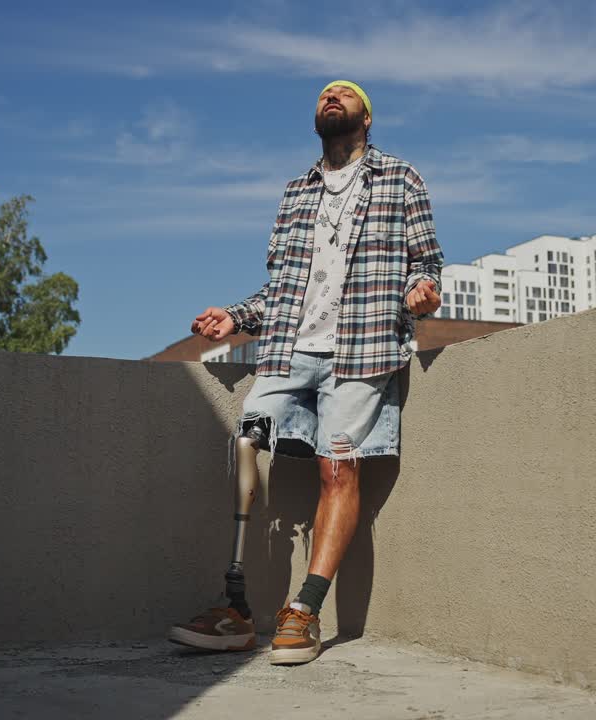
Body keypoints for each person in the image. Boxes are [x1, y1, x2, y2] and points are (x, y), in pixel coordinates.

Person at [168, 80, 442, 665]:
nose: (331, 97)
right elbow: (281, 290)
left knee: (337, 467)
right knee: (246, 439)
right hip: (293, 349)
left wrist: (423, 291)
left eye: (345, 94)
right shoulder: (295, 192)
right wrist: (234, 318)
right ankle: (236, 609)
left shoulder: (400, 178)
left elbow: (429, 262)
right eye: (323, 95)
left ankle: (305, 611)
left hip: (364, 346)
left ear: (367, 117)